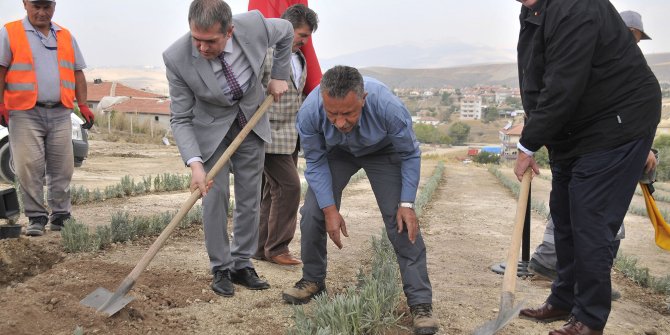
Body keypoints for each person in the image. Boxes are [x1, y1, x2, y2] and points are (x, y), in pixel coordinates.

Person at [513, 0, 661, 334]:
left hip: (617, 122)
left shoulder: (575, 7)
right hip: (576, 126)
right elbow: (536, 76)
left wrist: (527, 144)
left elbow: (565, 82)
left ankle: (589, 318)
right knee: (564, 215)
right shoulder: (534, 10)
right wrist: (533, 129)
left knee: (589, 220)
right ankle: (563, 299)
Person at [282, 66, 439, 335]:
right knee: (313, 213)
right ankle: (313, 279)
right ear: (322, 99)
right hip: (336, 154)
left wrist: (407, 204)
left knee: (399, 220)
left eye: (348, 113)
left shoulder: (388, 107)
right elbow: (316, 161)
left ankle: (420, 303)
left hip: (383, 153)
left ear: (363, 98)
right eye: (333, 114)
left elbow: (410, 154)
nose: (340, 122)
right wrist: (330, 209)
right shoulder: (309, 111)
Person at [163, 0, 293, 297]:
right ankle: (220, 266)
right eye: (196, 39)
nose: (202, 47)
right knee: (215, 195)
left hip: (250, 117)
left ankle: (241, 263)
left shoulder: (256, 26)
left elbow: (287, 32)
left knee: (250, 195)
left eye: (210, 41)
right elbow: (181, 118)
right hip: (210, 127)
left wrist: (279, 76)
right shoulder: (176, 58)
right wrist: (195, 164)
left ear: (230, 31)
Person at [0, 0, 94, 237]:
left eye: (47, 7)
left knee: (62, 168)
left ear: (54, 6)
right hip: (24, 112)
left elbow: (77, 72)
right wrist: (1, 103)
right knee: (28, 166)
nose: (42, 12)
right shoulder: (9, 32)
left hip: (61, 111)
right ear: (25, 4)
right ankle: (36, 218)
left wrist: (82, 104)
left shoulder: (65, 35)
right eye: (36, 6)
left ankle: (61, 215)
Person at [255, 4, 318, 266]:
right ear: (287, 28)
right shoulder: (266, 54)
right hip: (268, 134)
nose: (304, 42)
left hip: (290, 136)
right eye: (302, 35)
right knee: (290, 187)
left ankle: (260, 247)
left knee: (273, 192)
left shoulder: (300, 58)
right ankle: (278, 248)